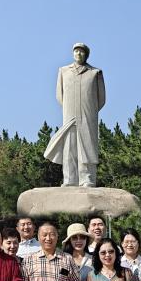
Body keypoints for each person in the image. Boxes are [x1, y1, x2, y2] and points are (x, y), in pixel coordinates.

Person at [43, 42, 106, 187]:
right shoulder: (63, 71)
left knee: (87, 147)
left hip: (88, 115)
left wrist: (90, 110)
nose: (78, 53)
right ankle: (70, 179)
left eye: (81, 51)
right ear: (73, 53)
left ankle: (87, 179)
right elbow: (59, 95)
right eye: (76, 51)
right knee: (69, 146)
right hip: (69, 114)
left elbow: (101, 99)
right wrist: (69, 108)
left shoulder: (95, 73)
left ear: (86, 55)